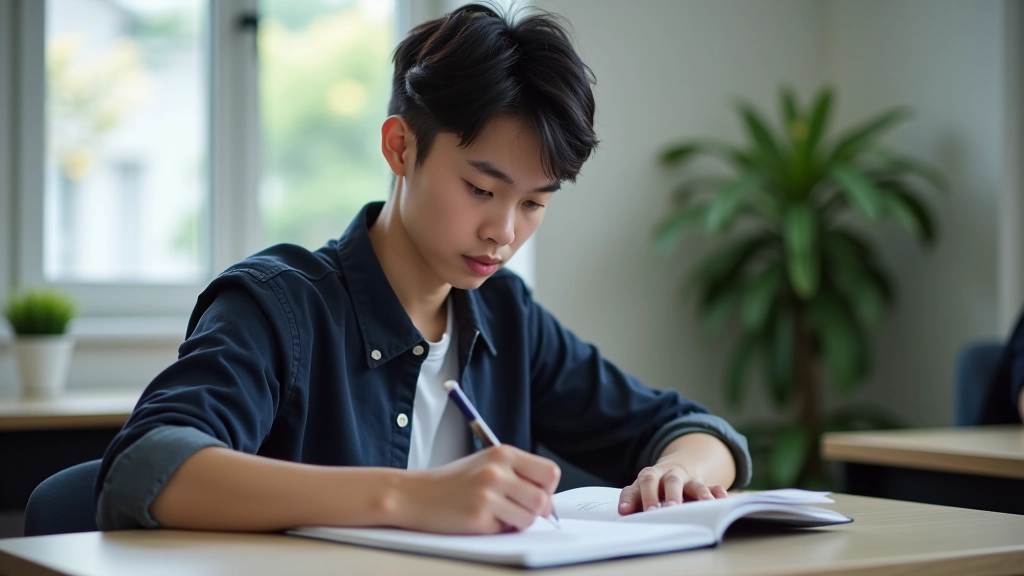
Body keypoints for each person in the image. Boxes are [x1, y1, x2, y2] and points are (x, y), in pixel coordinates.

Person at [95, 3, 751, 534]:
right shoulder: (279, 306)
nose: (504, 231)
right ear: (400, 147)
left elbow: (692, 429)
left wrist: (679, 472)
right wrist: (408, 497)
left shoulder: (506, 316)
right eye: (481, 189)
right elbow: (147, 466)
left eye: (534, 202)